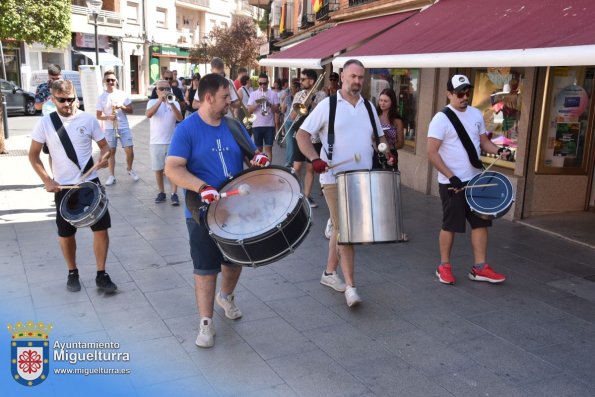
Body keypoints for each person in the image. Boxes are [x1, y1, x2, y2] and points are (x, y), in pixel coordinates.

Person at [164, 73, 270, 348]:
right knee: (206, 267)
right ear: (208, 97)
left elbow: (250, 154)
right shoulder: (186, 129)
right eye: (226, 97)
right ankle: (206, 322)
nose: (230, 101)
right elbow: (173, 168)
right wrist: (201, 187)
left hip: (235, 209)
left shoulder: (233, 126)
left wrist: (257, 158)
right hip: (201, 211)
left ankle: (226, 296)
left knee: (235, 261)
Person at [296, 59, 394, 307]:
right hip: (334, 178)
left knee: (341, 228)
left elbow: (379, 138)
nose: (357, 81)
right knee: (347, 232)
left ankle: (329, 273)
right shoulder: (327, 106)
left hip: (362, 179)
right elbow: (302, 134)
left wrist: (385, 150)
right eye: (353, 76)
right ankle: (351, 287)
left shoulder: (369, 107)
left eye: (361, 77)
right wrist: (315, 158)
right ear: (342, 77)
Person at [28, 79, 117, 293]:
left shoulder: (87, 119)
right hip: (64, 188)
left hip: (90, 184)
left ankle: (101, 274)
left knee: (101, 229)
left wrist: (105, 157)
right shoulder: (45, 123)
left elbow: (105, 146)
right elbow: (33, 155)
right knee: (66, 234)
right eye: (62, 100)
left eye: (71, 99)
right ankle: (72, 273)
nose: (68, 104)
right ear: (52, 99)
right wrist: (47, 179)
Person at [427, 74, 510, 286]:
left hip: (475, 181)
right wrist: (450, 176)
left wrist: (499, 150)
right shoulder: (440, 119)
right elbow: (432, 152)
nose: (465, 97)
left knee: (481, 223)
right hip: (451, 184)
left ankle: (480, 268)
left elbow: (484, 143)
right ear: (449, 94)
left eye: (467, 92)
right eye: (460, 93)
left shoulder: (475, 114)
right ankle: (443, 266)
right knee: (450, 225)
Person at [291, 69, 327, 208]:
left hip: (314, 137)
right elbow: (293, 117)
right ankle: (296, 192)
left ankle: (306, 196)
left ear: (311, 81)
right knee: (297, 166)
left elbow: (323, 113)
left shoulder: (322, 95)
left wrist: (311, 102)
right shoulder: (299, 94)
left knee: (310, 168)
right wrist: (299, 105)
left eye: (303, 79)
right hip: (299, 135)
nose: (301, 81)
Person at [96, 70, 138, 185]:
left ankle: (129, 169)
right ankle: (111, 176)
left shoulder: (123, 94)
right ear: (104, 82)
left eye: (112, 80)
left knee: (129, 150)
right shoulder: (102, 97)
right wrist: (108, 117)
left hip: (123, 126)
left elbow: (131, 110)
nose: (110, 82)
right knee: (111, 152)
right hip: (110, 128)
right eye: (108, 80)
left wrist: (122, 106)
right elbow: (98, 115)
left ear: (116, 81)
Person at [145, 79, 184, 205]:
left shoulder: (174, 102)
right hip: (156, 141)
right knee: (158, 169)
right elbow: (149, 115)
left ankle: (174, 193)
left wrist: (171, 103)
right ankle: (161, 192)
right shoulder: (151, 102)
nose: (164, 91)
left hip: (172, 141)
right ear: (156, 91)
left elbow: (180, 118)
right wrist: (159, 101)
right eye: (161, 89)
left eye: (167, 89)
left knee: (172, 169)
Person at [247, 73, 280, 161]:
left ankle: (268, 167)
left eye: (264, 83)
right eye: (260, 83)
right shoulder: (253, 94)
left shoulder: (273, 94)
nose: (262, 86)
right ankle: (260, 168)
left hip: (269, 125)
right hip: (257, 125)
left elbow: (277, 110)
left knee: (268, 148)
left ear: (268, 83)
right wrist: (258, 103)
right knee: (259, 150)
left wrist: (268, 103)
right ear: (258, 83)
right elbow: (249, 110)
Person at [376, 88, 405, 167]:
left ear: (392, 102)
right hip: (375, 153)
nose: (382, 103)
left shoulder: (397, 120)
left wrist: (389, 147)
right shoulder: (375, 116)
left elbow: (401, 142)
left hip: (391, 154)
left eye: (386, 101)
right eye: (381, 100)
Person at [280, 79, 300, 167]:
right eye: (290, 88)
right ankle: (292, 160)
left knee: (291, 142)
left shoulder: (296, 98)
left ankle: (290, 161)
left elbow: (283, 110)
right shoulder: (291, 97)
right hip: (291, 121)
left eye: (292, 88)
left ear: (297, 89)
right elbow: (283, 109)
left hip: (293, 121)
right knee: (293, 142)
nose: (291, 90)